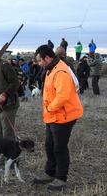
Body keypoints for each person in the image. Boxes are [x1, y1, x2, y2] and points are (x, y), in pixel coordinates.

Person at [33, 45, 83, 190]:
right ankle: (49, 173)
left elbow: (62, 96)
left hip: (64, 116)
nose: (38, 63)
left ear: (47, 58)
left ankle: (61, 178)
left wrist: (49, 108)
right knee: (49, 145)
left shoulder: (60, 71)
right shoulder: (51, 68)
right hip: (53, 115)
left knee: (59, 148)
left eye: (39, 60)